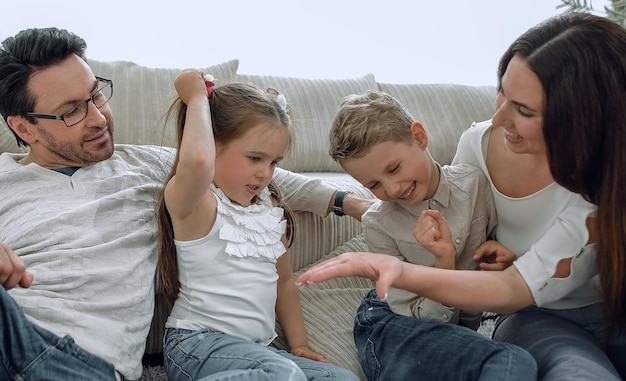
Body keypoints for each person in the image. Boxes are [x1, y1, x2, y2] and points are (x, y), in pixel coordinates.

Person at [0, 27, 369, 380]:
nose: (99, 118)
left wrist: (347, 201)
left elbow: (250, 170)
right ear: (24, 127)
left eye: (96, 96)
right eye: (72, 111)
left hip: (78, 364)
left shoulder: (147, 165)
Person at [297, 12, 626, 381]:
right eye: (502, 92)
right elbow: (485, 253)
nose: (498, 118)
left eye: (523, 110)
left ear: (581, 120)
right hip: (539, 315)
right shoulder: (476, 148)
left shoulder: (603, 181)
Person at [156, 71, 359, 381]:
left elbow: (284, 282)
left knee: (341, 379)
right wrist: (196, 98)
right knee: (282, 373)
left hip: (259, 353)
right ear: (213, 145)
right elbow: (197, 161)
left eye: (274, 162)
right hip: (196, 344)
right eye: (254, 158)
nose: (266, 173)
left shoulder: (267, 211)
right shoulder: (199, 204)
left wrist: (299, 344)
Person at [327, 89, 536, 380]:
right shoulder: (379, 224)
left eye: (394, 168)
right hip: (391, 321)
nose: (392, 189)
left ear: (419, 137)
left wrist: (503, 260)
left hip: (456, 330)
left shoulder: (475, 185)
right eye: (374, 184)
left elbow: (495, 265)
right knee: (511, 363)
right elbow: (420, 318)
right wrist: (443, 264)